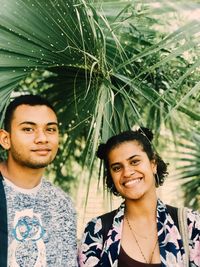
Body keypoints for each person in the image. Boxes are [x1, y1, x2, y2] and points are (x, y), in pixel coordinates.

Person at [78, 128, 200, 266]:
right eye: (117, 168)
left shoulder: (190, 223)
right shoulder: (97, 231)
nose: (127, 172)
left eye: (134, 161)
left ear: (153, 164)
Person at [0, 94, 77, 267]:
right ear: (6, 139)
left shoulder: (62, 205)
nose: (42, 138)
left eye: (50, 129)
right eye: (28, 129)